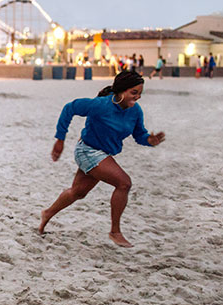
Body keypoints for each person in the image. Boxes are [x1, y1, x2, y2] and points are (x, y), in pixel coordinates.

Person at [40, 71, 166, 248]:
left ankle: (47, 213)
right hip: (88, 151)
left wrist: (150, 140)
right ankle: (115, 231)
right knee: (124, 183)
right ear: (121, 91)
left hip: (103, 155)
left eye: (139, 94)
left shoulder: (135, 111)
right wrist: (60, 139)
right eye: (133, 92)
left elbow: (140, 135)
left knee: (78, 192)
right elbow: (70, 108)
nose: (137, 97)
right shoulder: (100, 105)